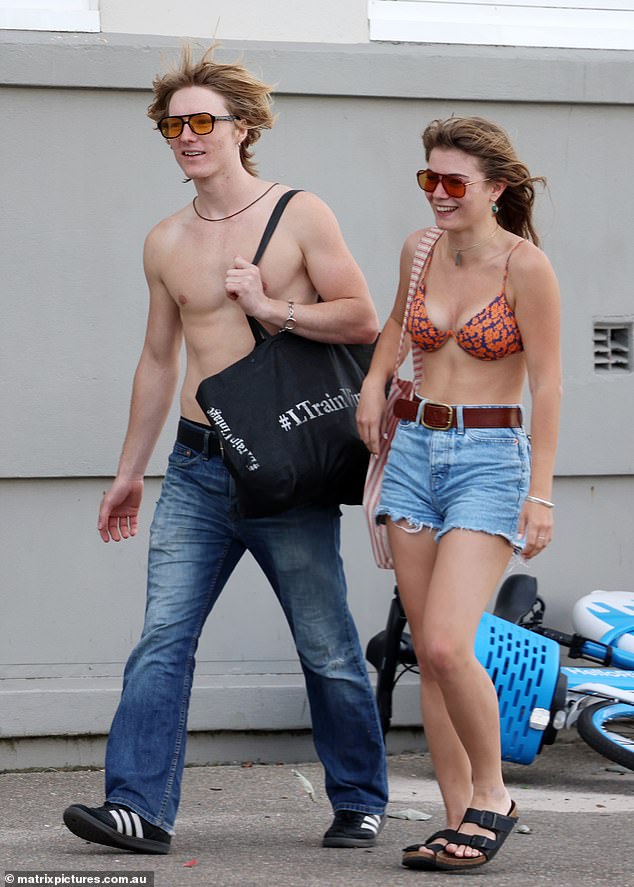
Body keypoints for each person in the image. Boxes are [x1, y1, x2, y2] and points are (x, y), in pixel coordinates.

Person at [63, 44, 387, 855]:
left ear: (243, 129)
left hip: (282, 469)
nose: (186, 135)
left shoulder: (301, 213)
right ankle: (138, 807)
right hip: (199, 466)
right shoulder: (165, 240)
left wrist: (269, 304)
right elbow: (158, 359)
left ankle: (359, 798)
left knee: (327, 644)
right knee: (162, 637)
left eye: (202, 120)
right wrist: (128, 472)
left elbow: (361, 318)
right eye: (173, 124)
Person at [356, 116, 561, 872]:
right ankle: (454, 820)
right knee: (429, 653)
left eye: (454, 182)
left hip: (490, 460)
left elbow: (550, 383)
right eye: (428, 179)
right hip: (413, 452)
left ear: (496, 188)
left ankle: (494, 795)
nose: (438, 194)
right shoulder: (419, 250)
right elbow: (394, 331)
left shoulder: (525, 266)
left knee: (448, 640)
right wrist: (375, 384)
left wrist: (539, 493)